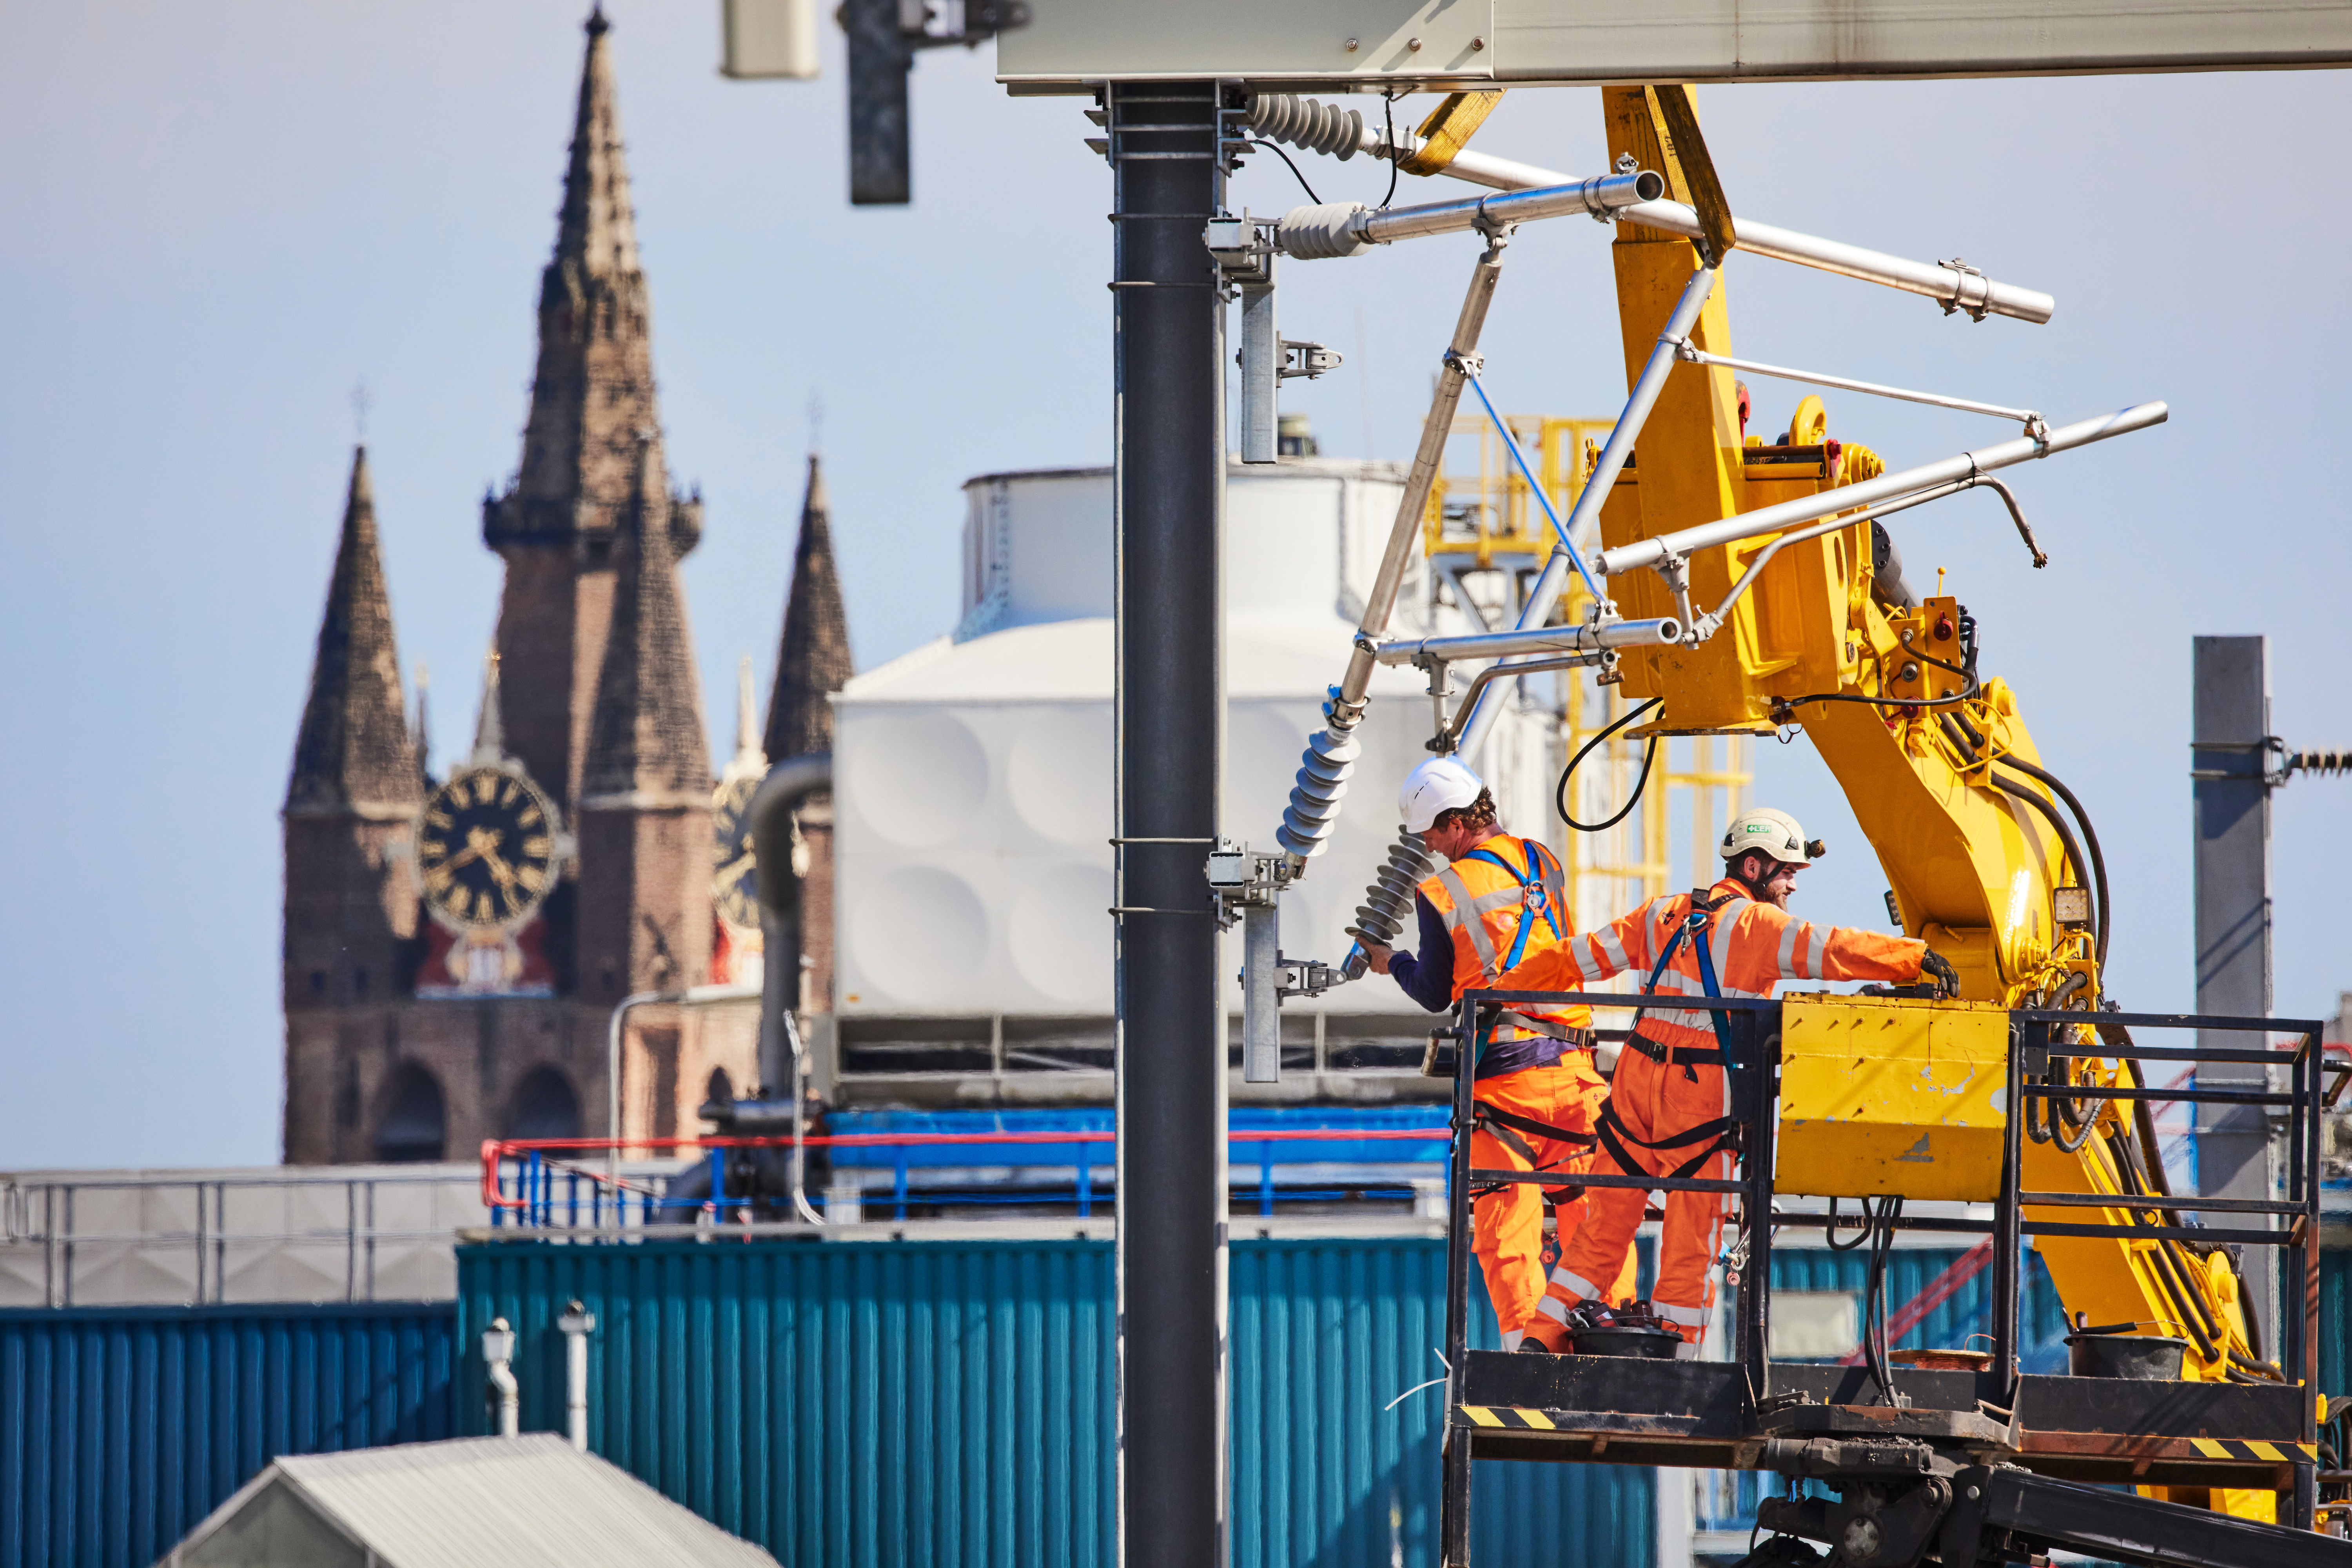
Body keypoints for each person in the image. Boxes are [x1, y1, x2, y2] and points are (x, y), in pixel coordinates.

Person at [1501, 807, 1960, 1357]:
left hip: (1632, 1092)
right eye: (1787, 871)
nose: (1792, 884)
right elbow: (1833, 950)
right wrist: (1914, 957)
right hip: (1697, 1105)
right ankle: (1675, 1369)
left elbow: (1578, 957)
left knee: (1600, 1235)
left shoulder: (1662, 914)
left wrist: (1502, 993)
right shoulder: (1757, 927)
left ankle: (1539, 1342)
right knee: (1691, 1245)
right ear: (1754, 865)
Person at [1358, 756, 1637, 1350]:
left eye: (1432, 832)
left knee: (1506, 1223)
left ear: (1456, 822)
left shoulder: (1442, 891)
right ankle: (1617, 1332)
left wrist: (1392, 962)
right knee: (1597, 1212)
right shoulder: (1543, 861)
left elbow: (1435, 993)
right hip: (1577, 1073)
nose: (1430, 846)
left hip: (1509, 1088)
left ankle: (1528, 1349)